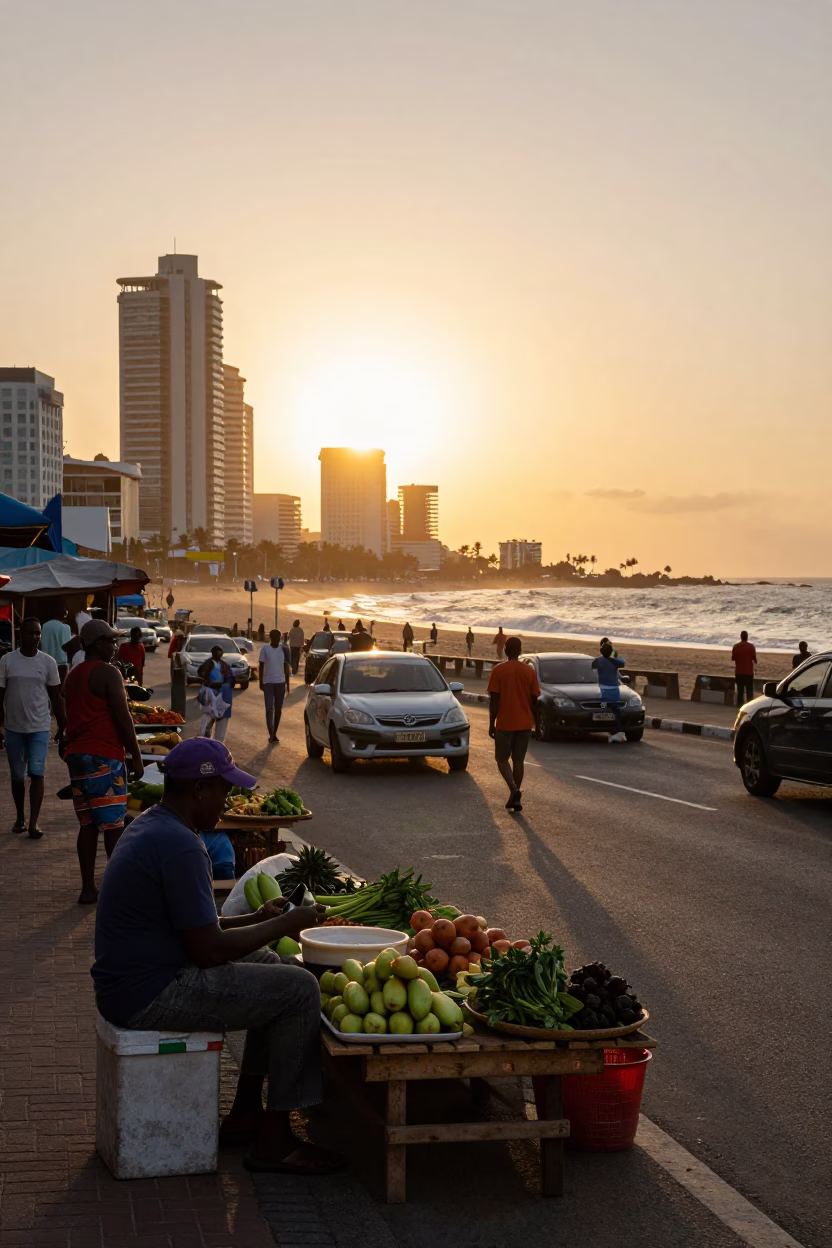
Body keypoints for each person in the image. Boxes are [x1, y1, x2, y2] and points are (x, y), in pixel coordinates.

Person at [91, 738, 343, 1174]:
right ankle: (275, 1139)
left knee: (275, 968)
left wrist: (256, 920)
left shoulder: (154, 823)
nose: (230, 800)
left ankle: (246, 1113)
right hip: (148, 992)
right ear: (198, 791)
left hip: (138, 977)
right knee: (299, 988)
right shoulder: (181, 845)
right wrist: (286, 924)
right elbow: (207, 951)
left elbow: (196, 927)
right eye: (225, 791)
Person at [63, 619, 144, 904]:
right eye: (111, 641)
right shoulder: (108, 673)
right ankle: (118, 890)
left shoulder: (73, 675)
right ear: (98, 643)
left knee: (87, 824)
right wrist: (135, 756)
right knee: (113, 825)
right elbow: (123, 718)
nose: (114, 645)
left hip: (77, 756)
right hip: (104, 756)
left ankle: (88, 888)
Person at [0, 617, 66, 839]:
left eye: (38, 633)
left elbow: (56, 698)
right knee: (18, 776)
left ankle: (34, 823)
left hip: (39, 727)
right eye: (31, 633)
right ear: (21, 635)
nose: (35, 637)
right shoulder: (7, 661)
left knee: (37, 773)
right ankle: (20, 817)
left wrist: (63, 725)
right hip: (14, 728)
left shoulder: (48, 663)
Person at [487, 636, 540, 812]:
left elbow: (494, 700)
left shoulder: (498, 670)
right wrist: (538, 726)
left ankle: (514, 790)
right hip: (525, 723)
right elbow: (535, 701)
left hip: (505, 723)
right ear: (520, 650)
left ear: (505, 650)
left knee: (501, 759)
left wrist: (491, 723)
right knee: (518, 760)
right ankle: (515, 799)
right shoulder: (529, 671)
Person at [592, 641, 628, 743]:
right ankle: (616, 731)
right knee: (616, 711)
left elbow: (593, 666)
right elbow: (622, 663)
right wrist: (612, 657)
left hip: (603, 689)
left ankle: (607, 730)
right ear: (611, 651)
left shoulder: (598, 660)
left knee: (603, 709)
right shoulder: (616, 661)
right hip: (614, 690)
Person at [197, 645, 234, 742]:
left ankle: (218, 742)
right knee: (209, 714)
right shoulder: (209, 663)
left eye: (220, 653)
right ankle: (205, 737)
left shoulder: (224, 664)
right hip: (211, 691)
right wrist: (208, 682)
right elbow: (201, 672)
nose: (219, 655)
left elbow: (230, 677)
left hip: (222, 692)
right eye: (217, 653)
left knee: (222, 718)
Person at [260, 629, 290, 744]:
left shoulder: (283, 649)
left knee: (278, 709)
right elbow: (261, 665)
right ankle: (271, 733)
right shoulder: (265, 649)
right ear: (271, 638)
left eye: (279, 638)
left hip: (280, 682)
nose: (278, 640)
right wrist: (260, 682)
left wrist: (287, 683)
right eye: (275, 638)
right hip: (268, 682)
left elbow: (286, 666)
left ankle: (274, 733)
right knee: (269, 708)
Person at [40, 601, 72, 683]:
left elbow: (44, 645)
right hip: (62, 664)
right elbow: (68, 646)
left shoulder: (45, 626)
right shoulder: (66, 628)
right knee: (61, 689)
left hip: (48, 663)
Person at [731, 630, 757, 708]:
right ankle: (750, 706)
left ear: (741, 637)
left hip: (739, 672)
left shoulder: (736, 646)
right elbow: (755, 659)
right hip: (749, 672)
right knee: (749, 691)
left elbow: (733, 658)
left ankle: (740, 706)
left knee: (740, 691)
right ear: (747, 637)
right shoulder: (751, 646)